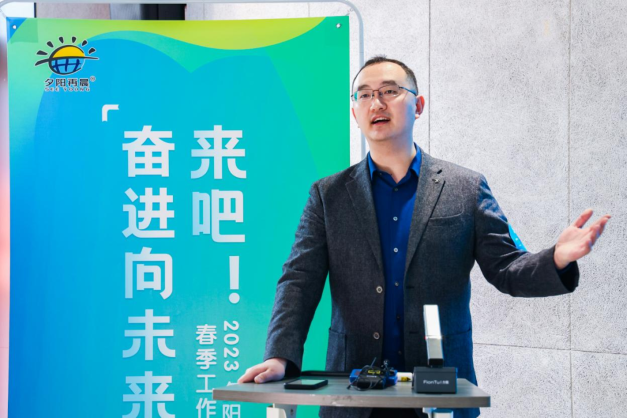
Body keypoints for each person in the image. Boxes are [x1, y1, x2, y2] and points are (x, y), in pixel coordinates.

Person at [238, 56, 610, 418]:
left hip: (441, 391)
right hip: (353, 393)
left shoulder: (465, 188)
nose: (376, 103)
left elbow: (507, 268)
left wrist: (556, 258)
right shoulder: (328, 195)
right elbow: (298, 281)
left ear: (418, 106)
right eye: (364, 95)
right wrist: (280, 355)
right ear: (355, 113)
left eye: (389, 91)